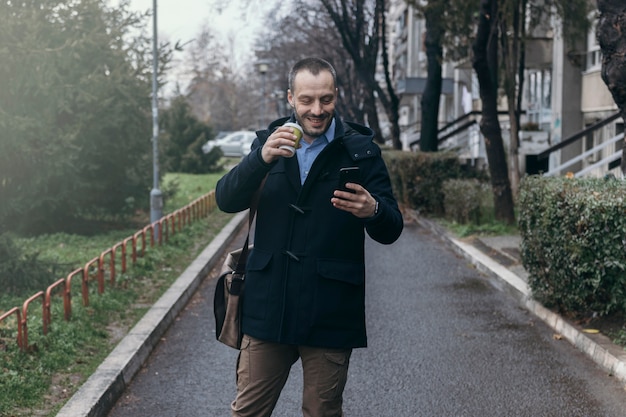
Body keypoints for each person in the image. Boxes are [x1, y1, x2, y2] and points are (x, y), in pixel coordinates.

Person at [215, 57, 403, 417]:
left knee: (322, 413)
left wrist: (373, 210)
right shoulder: (268, 144)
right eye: (307, 100)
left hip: (330, 312)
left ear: (336, 96)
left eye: (326, 100)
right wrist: (261, 159)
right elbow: (226, 199)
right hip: (268, 308)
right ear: (290, 98)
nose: (317, 110)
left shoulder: (361, 153)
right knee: (247, 412)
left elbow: (391, 227)